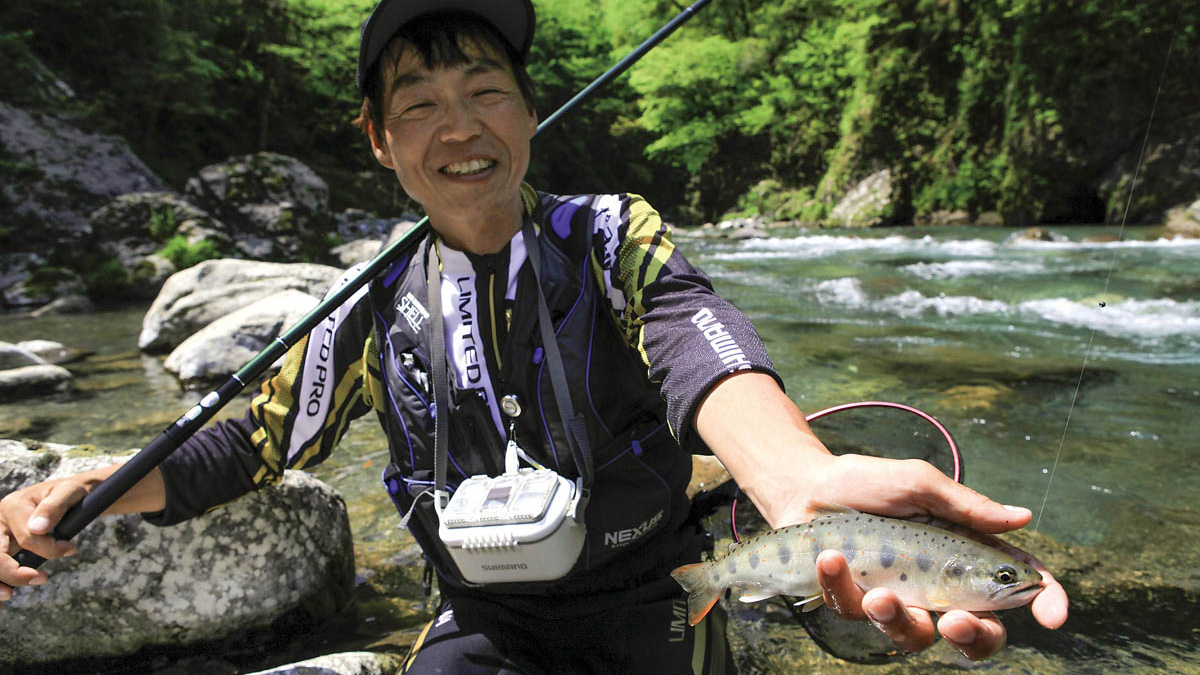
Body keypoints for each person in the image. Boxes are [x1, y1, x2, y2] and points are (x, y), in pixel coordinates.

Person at [0, 1, 1069, 672]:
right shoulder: (368, 302)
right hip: (483, 622)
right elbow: (245, 448)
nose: (459, 127)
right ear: (379, 140)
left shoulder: (611, 237)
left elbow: (698, 342)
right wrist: (79, 491)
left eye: (486, 93)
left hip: (652, 602)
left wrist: (794, 478)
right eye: (417, 104)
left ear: (529, 113)